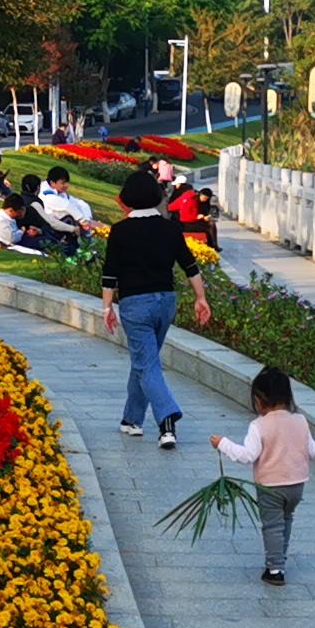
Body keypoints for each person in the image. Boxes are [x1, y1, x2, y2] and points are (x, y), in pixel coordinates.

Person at [99, 169, 210, 448]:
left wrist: (107, 307)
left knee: (146, 363)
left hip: (136, 304)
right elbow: (190, 266)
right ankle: (132, 419)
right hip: (166, 303)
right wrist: (201, 298)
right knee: (144, 361)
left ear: (127, 198)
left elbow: (110, 274)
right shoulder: (170, 228)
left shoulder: (120, 231)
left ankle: (167, 419)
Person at [211, 364, 314, 584]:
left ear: (259, 399)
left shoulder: (259, 425)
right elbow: (312, 450)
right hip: (297, 485)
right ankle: (280, 559)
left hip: (271, 486)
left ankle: (275, 569)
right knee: (286, 519)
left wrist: (223, 444)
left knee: (272, 525)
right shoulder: (301, 420)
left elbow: (247, 455)